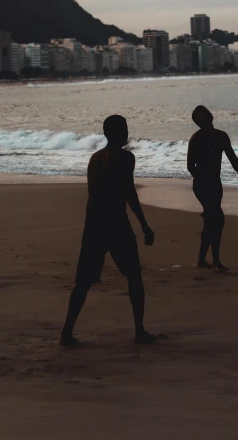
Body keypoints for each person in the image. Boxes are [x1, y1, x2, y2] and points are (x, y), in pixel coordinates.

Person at [60, 115, 158, 347]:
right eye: (124, 129)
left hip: (94, 222)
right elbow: (129, 193)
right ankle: (140, 331)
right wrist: (144, 224)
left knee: (83, 282)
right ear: (118, 133)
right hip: (115, 222)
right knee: (134, 276)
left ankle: (66, 332)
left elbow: (94, 192)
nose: (126, 132)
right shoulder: (126, 157)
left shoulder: (94, 158)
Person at [187, 106, 238, 273]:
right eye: (202, 116)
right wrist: (204, 180)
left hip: (216, 183)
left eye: (206, 113)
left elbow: (231, 155)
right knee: (217, 219)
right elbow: (190, 166)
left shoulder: (221, 136)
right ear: (198, 122)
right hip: (201, 184)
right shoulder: (196, 138)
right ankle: (216, 262)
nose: (206, 117)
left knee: (210, 221)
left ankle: (201, 260)